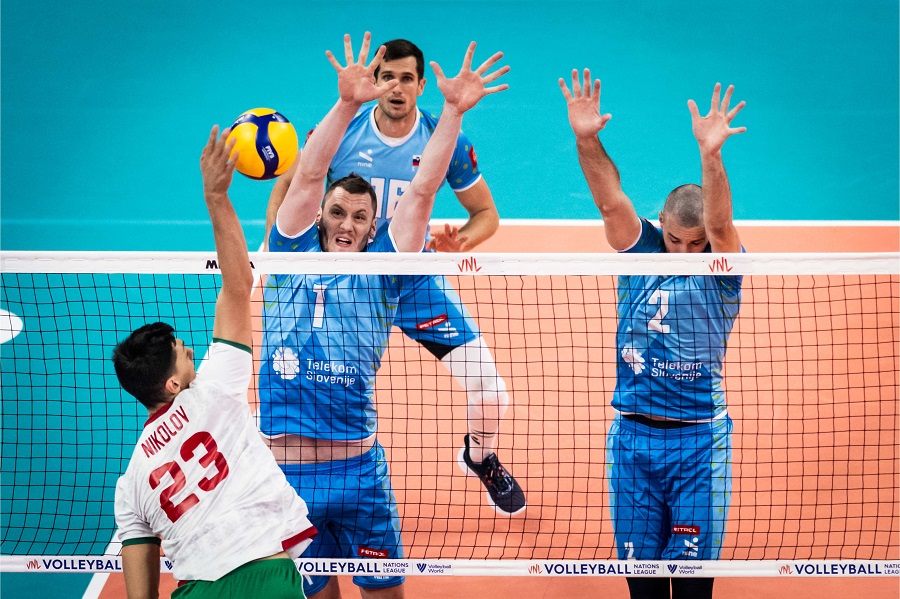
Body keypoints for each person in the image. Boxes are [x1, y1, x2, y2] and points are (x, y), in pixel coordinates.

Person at [258, 33, 509, 599]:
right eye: (386, 76)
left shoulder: (441, 142)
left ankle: (481, 456)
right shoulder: (338, 137)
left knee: (491, 391)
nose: (396, 87)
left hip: (401, 274)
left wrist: (461, 240)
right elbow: (302, 180)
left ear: (420, 85)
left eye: (406, 78)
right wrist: (273, 256)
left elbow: (435, 196)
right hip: (331, 279)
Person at [560, 69, 746, 599]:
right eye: (675, 239)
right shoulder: (641, 248)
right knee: (642, 587)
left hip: (697, 441)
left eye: (696, 243)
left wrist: (711, 155)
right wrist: (585, 139)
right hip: (632, 441)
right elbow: (610, 202)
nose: (685, 253)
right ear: (660, 222)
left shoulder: (724, 270)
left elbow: (721, 227)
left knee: (690, 591)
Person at [112, 127, 317, 599]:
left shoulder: (132, 482)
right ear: (171, 385)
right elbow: (238, 286)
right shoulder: (214, 390)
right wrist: (217, 197)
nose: (191, 352)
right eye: (183, 355)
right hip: (266, 580)